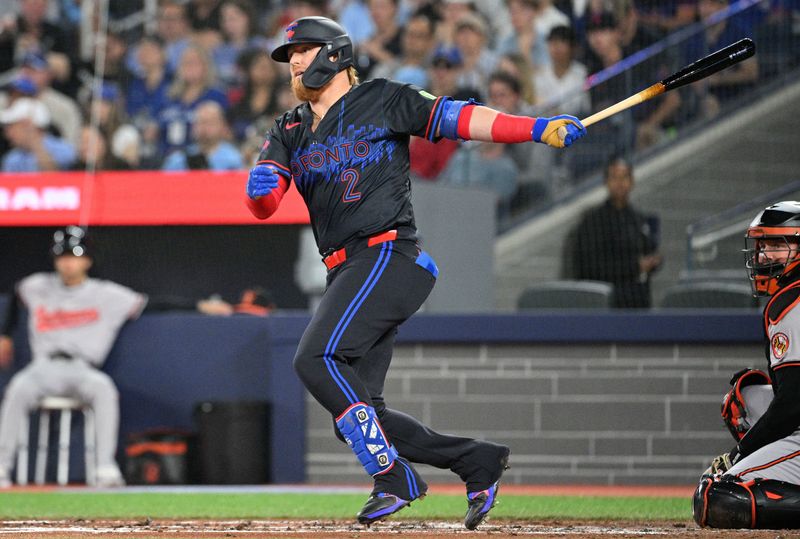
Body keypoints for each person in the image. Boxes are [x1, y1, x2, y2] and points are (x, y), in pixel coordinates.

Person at [245, 15, 585, 528]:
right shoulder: (291, 126)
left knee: (315, 358)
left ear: (335, 54)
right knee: (358, 413)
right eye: (290, 55)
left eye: (304, 50)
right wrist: (262, 185)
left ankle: (393, 477)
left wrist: (536, 128)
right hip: (346, 270)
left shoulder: (383, 97)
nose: (293, 61)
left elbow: (461, 119)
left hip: (387, 256)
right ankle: (476, 460)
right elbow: (265, 199)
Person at [0, 227, 146, 489]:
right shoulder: (37, 286)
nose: (68, 262)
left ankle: (105, 468)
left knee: (104, 389)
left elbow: (153, 303)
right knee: (17, 390)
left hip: (82, 368)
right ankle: (1, 466)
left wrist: (200, 306)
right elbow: (15, 294)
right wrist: (6, 334)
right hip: (41, 369)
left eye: (74, 256)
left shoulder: (105, 293)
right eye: (63, 256)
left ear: (87, 260)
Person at [693, 201, 800, 529]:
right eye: (762, 245)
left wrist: (740, 453)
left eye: (775, 245)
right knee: (743, 398)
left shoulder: (790, 301)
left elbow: (794, 403)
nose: (764, 255)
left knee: (717, 495)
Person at [569, 157, 661, 308]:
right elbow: (589, 267)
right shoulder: (593, 221)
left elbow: (650, 251)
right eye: (614, 177)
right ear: (606, 182)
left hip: (638, 303)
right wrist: (634, 267)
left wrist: (655, 261)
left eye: (624, 177)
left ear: (632, 182)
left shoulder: (638, 219)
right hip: (605, 305)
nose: (620, 183)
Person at [0, 96, 76, 172]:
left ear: (26, 125)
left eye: (12, 126)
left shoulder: (64, 150)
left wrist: (34, 141)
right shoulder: (13, 158)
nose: (7, 133)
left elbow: (55, 177)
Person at [162, 100, 243, 171]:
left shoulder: (232, 160)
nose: (204, 128)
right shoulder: (178, 159)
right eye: (200, 122)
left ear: (221, 126)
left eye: (210, 123)